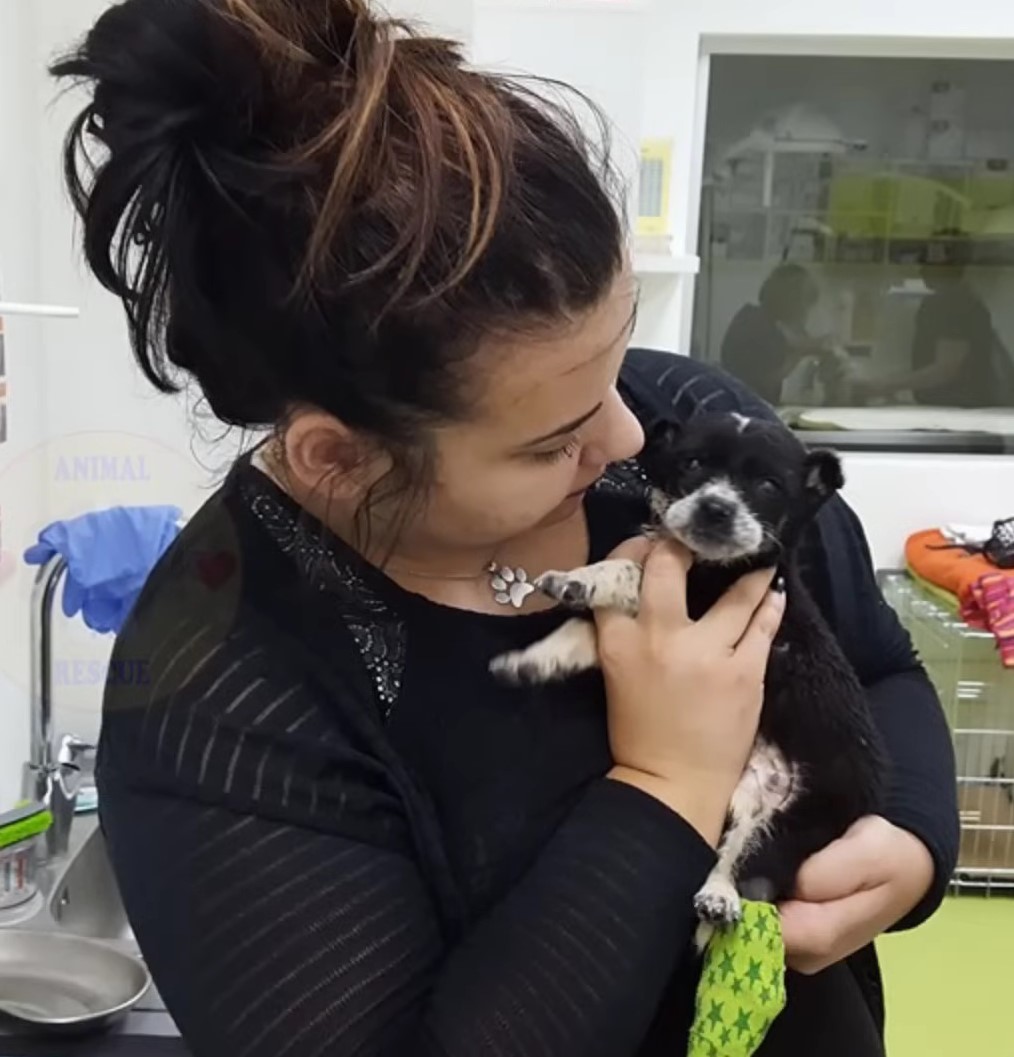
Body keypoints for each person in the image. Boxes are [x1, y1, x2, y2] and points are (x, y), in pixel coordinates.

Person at [53, 2, 958, 1055]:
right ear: (338, 457)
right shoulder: (220, 702)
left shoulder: (689, 434)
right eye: (549, 443)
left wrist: (914, 841)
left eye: (619, 363)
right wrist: (667, 783)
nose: (629, 441)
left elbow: (880, 662)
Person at [862, 231, 1008, 407]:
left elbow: (945, 369)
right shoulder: (963, 299)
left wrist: (886, 385)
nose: (921, 269)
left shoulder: (952, 302)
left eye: (928, 262)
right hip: (959, 408)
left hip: (959, 411)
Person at [719, 263, 839, 406]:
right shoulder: (752, 324)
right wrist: (804, 350)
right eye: (803, 305)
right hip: (743, 408)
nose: (805, 315)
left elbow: (797, 341)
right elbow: (766, 379)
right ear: (790, 301)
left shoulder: (771, 321)